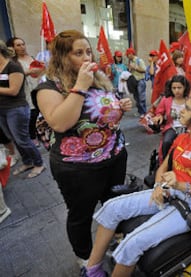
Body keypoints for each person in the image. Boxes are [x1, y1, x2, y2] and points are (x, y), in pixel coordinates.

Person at [83, 95, 191, 277]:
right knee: (111, 207)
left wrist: (178, 185)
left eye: (187, 108)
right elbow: (164, 166)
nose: (180, 110)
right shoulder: (182, 137)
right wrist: (159, 186)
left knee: (133, 242)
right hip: (169, 190)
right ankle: (92, 270)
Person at [32, 30, 133, 269]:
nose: (87, 57)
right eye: (79, 53)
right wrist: (79, 87)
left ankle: (116, 237)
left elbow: (104, 110)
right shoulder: (49, 87)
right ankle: (86, 257)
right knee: (81, 214)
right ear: (62, 57)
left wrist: (121, 106)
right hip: (77, 168)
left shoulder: (98, 78)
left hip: (114, 156)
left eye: (88, 51)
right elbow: (60, 122)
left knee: (114, 201)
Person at [0, 40, 45, 179]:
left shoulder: (13, 66)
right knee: (13, 138)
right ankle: (27, 162)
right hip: (2, 109)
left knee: (22, 139)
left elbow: (14, 90)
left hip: (16, 108)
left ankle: (39, 163)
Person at [7, 37, 45, 147]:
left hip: (36, 87)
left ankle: (39, 133)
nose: (22, 47)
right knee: (31, 114)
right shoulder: (12, 62)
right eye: (18, 45)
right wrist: (28, 71)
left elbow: (38, 73)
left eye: (23, 44)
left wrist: (42, 67)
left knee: (39, 111)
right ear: (12, 47)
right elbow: (13, 76)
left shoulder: (31, 58)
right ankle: (32, 137)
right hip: (24, 90)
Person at [152, 75, 189, 160]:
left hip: (187, 128)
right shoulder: (166, 99)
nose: (177, 90)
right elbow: (159, 112)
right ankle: (165, 162)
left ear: (185, 87)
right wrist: (159, 116)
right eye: (174, 88)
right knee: (167, 142)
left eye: (179, 88)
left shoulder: (189, 100)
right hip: (172, 127)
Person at [126, 47, 147, 118]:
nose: (127, 56)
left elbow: (144, 70)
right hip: (134, 82)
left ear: (132, 54)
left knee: (141, 98)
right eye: (127, 55)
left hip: (140, 81)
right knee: (136, 98)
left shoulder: (139, 60)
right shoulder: (130, 61)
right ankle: (140, 111)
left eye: (128, 54)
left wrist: (134, 67)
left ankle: (144, 112)